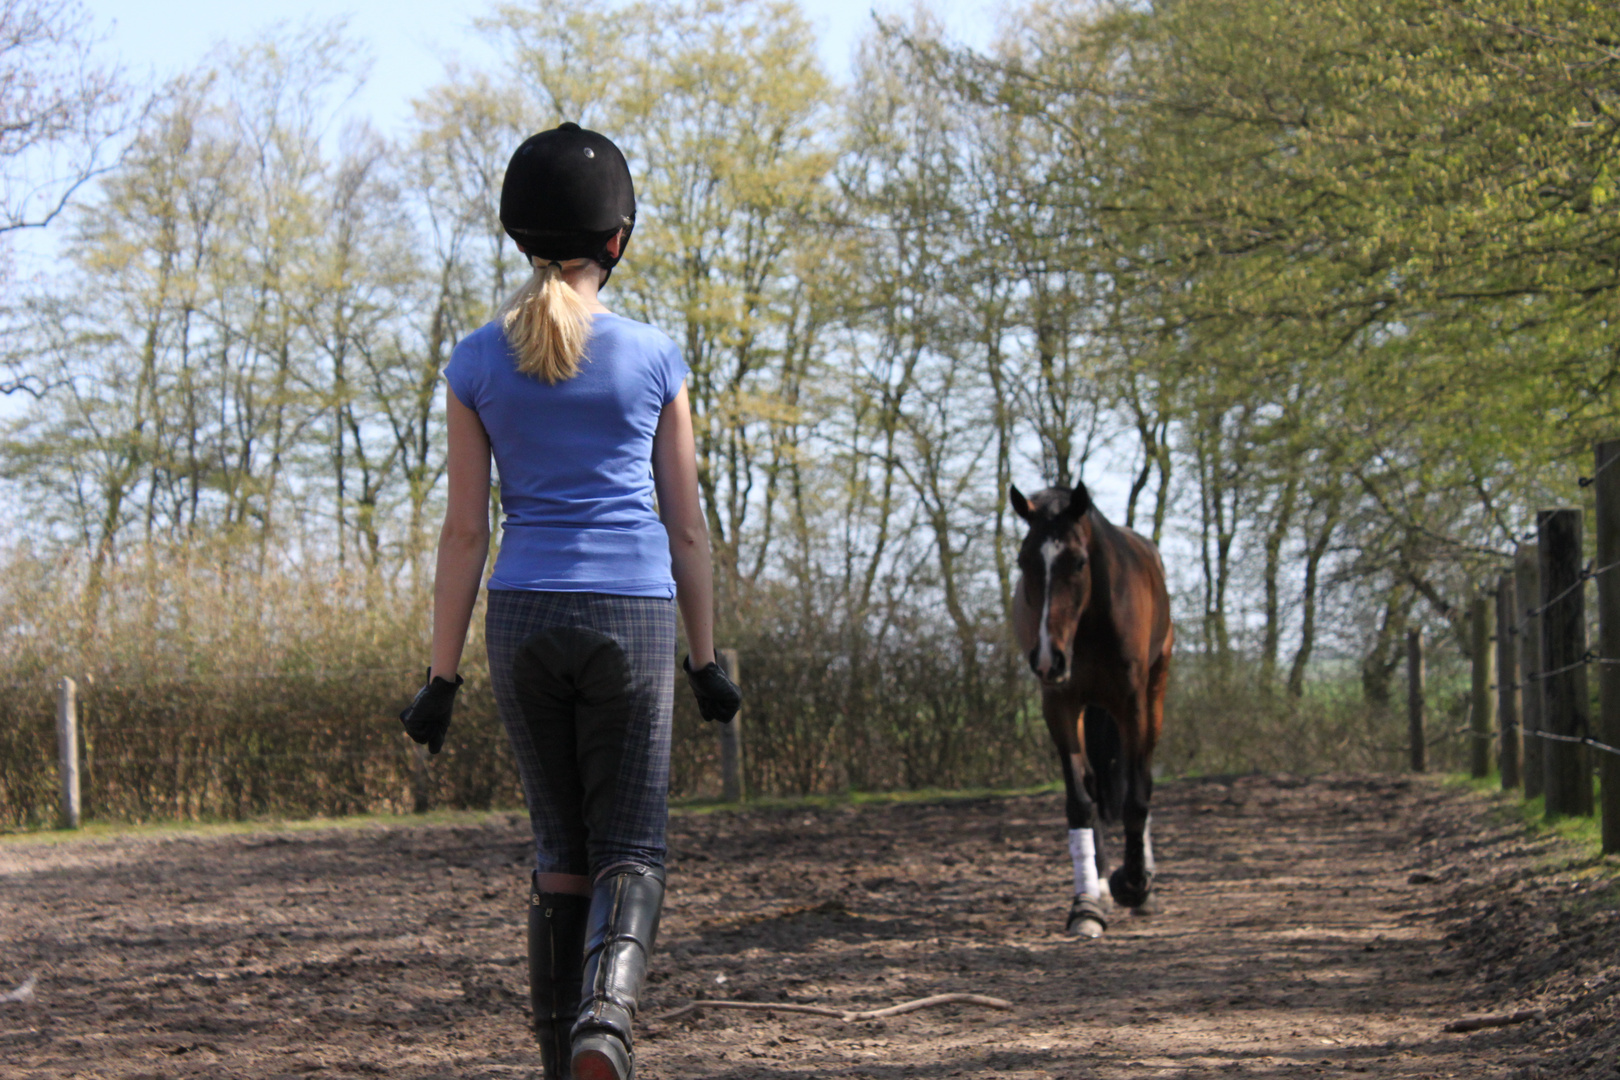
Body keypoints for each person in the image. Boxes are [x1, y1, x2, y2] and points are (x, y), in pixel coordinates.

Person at [397, 122, 742, 1080]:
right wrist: (705, 660)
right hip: (631, 614)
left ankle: (565, 1065)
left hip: (521, 618)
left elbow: (465, 533)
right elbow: (688, 533)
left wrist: (440, 678)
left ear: (517, 239)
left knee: (560, 847)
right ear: (617, 243)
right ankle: (605, 1025)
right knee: (632, 844)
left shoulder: (474, 362)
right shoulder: (655, 358)